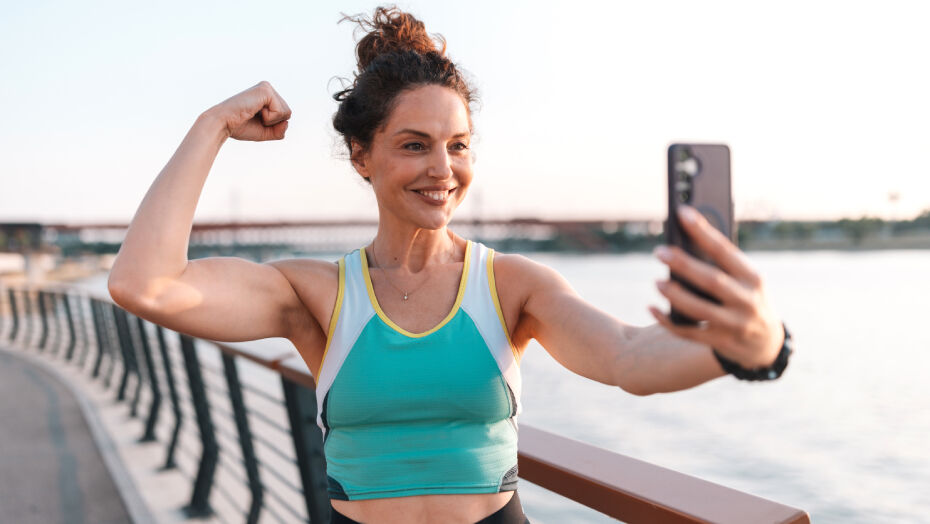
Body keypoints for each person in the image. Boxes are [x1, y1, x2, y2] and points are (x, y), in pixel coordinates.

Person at [107, 6, 791, 524]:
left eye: (458, 145)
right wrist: (212, 125)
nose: (443, 170)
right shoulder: (312, 293)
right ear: (362, 157)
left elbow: (627, 358)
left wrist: (757, 346)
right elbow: (146, 284)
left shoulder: (512, 284)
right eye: (414, 145)